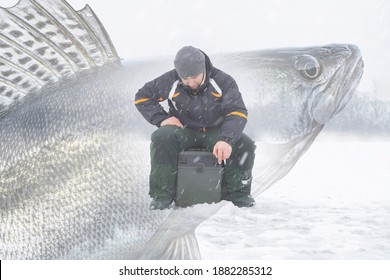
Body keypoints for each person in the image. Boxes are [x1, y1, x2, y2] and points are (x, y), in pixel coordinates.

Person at [135, 46, 256, 210]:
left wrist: (226, 139)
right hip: (184, 130)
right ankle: (162, 195)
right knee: (161, 136)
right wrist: (161, 119)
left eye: (194, 77)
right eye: (185, 79)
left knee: (244, 144)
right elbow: (142, 97)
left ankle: (239, 194)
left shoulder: (223, 81)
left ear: (203, 70)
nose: (190, 83)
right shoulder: (170, 80)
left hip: (216, 132)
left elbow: (237, 112)